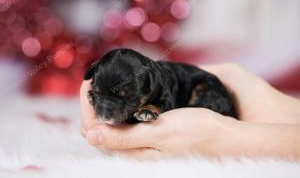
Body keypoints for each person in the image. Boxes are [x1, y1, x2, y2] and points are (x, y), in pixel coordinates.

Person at [80, 63, 300, 160]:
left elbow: (165, 100)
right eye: (98, 95)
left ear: (149, 85)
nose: (106, 109)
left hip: (204, 89)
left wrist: (228, 134)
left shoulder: (158, 84)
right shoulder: (140, 78)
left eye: (123, 96)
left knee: (203, 93)